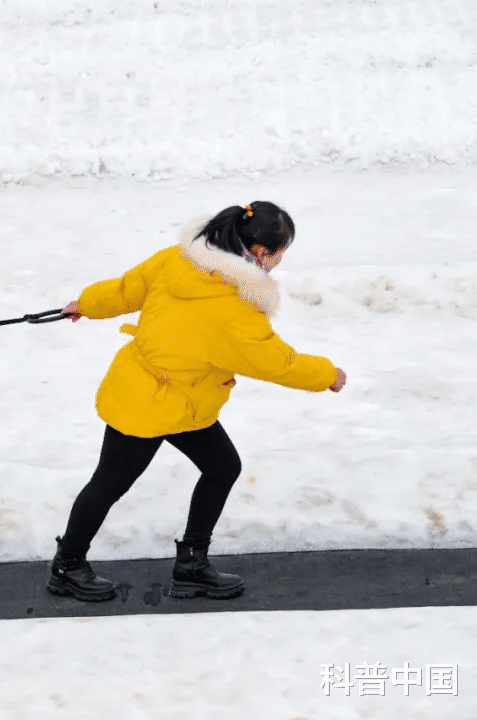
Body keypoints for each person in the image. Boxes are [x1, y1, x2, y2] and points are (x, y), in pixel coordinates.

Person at [47, 201, 347, 602]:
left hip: (185, 398)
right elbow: (276, 363)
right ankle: (67, 567)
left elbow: (125, 289)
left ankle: (192, 566)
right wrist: (327, 375)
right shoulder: (234, 308)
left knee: (222, 467)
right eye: (280, 252)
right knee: (108, 485)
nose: (278, 261)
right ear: (260, 252)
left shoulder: (181, 259)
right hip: (147, 403)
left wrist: (86, 303)